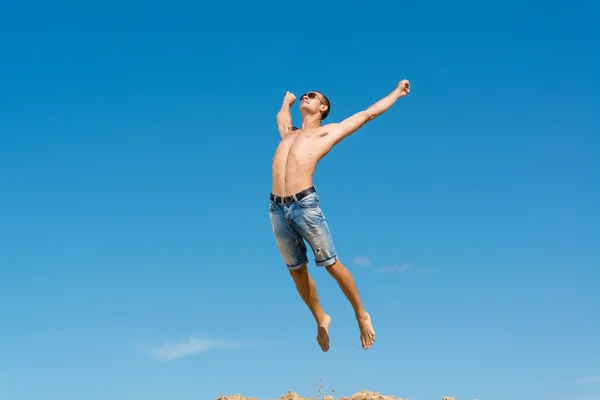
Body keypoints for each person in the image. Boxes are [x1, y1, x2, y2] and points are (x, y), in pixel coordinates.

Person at [268, 79, 411, 352]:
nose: (306, 97)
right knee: (296, 271)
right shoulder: (289, 133)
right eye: (304, 95)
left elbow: (368, 113)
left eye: (312, 95)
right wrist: (285, 103)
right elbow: (281, 117)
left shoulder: (328, 133)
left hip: (304, 205)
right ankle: (321, 318)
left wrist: (396, 92)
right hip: (276, 207)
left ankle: (361, 313)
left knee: (332, 265)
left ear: (323, 108)